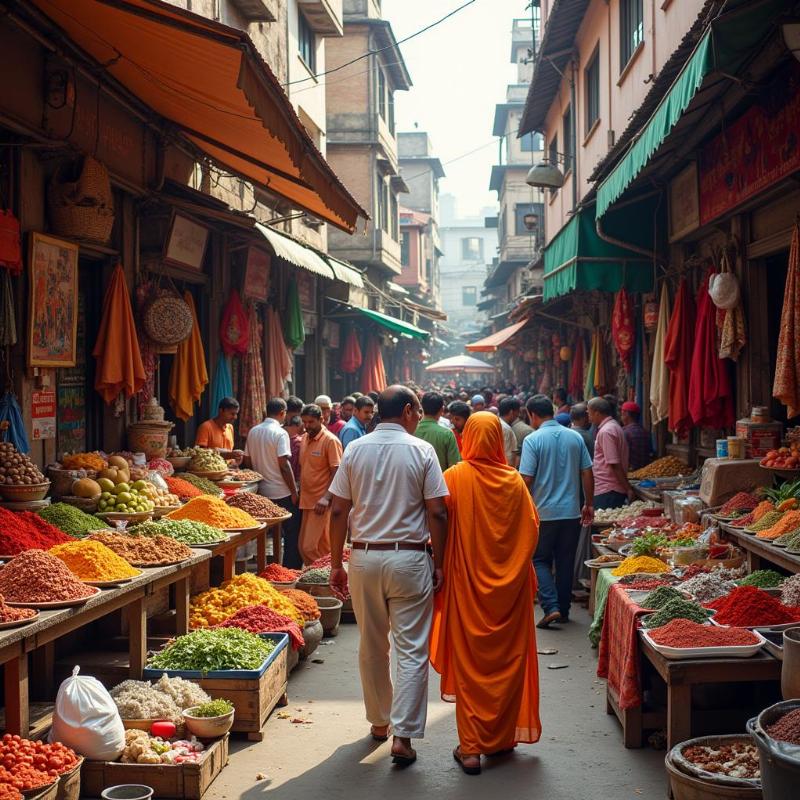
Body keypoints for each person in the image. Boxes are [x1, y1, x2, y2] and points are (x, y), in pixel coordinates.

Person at [328, 386, 449, 767]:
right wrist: (440, 562)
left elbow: (337, 511)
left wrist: (336, 562)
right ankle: (403, 736)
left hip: (364, 558)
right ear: (410, 411)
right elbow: (438, 513)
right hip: (410, 559)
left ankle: (379, 722)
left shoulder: (355, 449)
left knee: (372, 645)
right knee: (411, 651)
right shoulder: (421, 450)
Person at [430, 412, 541, 775]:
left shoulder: (455, 478)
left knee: (470, 665)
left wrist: (441, 564)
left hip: (467, 589)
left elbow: (437, 522)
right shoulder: (514, 482)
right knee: (507, 663)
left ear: (468, 439)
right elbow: (532, 531)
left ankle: (473, 747)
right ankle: (501, 738)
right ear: (497, 440)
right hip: (510, 593)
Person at [519, 395, 594, 628]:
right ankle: (563, 609)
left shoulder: (533, 440)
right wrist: (588, 503)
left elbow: (526, 478)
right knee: (565, 561)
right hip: (570, 512)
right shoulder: (575, 437)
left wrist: (519, 508)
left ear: (532, 414)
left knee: (538, 559)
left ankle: (550, 606)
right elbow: (587, 472)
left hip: (543, 513)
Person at [243, 398, 301, 568]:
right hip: (281, 492)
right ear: (282, 413)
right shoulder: (280, 432)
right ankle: (290, 568)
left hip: (261, 491)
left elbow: (247, 460)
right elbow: (284, 464)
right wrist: (294, 491)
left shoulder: (254, 431)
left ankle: (265, 567)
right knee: (292, 532)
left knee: (263, 534)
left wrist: (259, 477)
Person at [297, 404, 343, 564]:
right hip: (306, 501)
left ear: (321, 420)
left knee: (307, 548)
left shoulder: (330, 441)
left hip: (321, 503)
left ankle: (322, 578)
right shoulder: (304, 438)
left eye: (311, 422)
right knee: (323, 548)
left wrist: (326, 497)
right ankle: (329, 581)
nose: (307, 426)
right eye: (304, 422)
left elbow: (337, 471)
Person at [588, 396, 633, 510]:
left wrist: (628, 488)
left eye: (590, 413)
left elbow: (614, 463)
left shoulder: (606, 431)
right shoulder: (613, 426)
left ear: (597, 413)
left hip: (608, 489)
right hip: (610, 488)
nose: (589, 417)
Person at [415, 392, 461, 471]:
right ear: (442, 409)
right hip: (441, 481)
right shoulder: (447, 434)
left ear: (421, 408)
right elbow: (454, 466)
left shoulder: (410, 431)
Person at [195, 397, 244, 464]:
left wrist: (236, 460)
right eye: (232, 414)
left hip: (229, 470)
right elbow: (199, 453)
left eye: (236, 414)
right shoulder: (206, 427)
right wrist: (228, 454)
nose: (235, 417)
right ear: (221, 411)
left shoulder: (230, 427)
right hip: (212, 471)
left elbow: (230, 453)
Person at [621, 401, 652, 472]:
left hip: (630, 472)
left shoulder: (624, 432)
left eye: (622, 414)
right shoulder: (645, 432)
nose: (621, 417)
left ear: (626, 415)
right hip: (645, 471)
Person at [498, 397, 520, 467]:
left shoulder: (495, 422)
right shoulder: (506, 429)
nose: (518, 415)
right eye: (518, 412)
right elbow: (509, 459)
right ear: (511, 412)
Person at [284, 414, 304, 483]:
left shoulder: (282, 437)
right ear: (297, 426)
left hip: (283, 477)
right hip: (296, 478)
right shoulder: (300, 441)